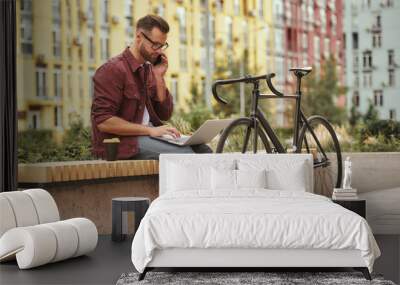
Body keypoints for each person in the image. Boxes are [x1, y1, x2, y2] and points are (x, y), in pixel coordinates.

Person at [91, 15, 212, 160]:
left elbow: (165, 114)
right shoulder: (113, 70)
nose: (159, 51)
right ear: (139, 37)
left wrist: (159, 77)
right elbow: (103, 122)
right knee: (186, 156)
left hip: (149, 137)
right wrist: (149, 130)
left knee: (204, 151)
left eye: (162, 45)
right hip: (123, 143)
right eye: (155, 45)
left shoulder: (149, 70)